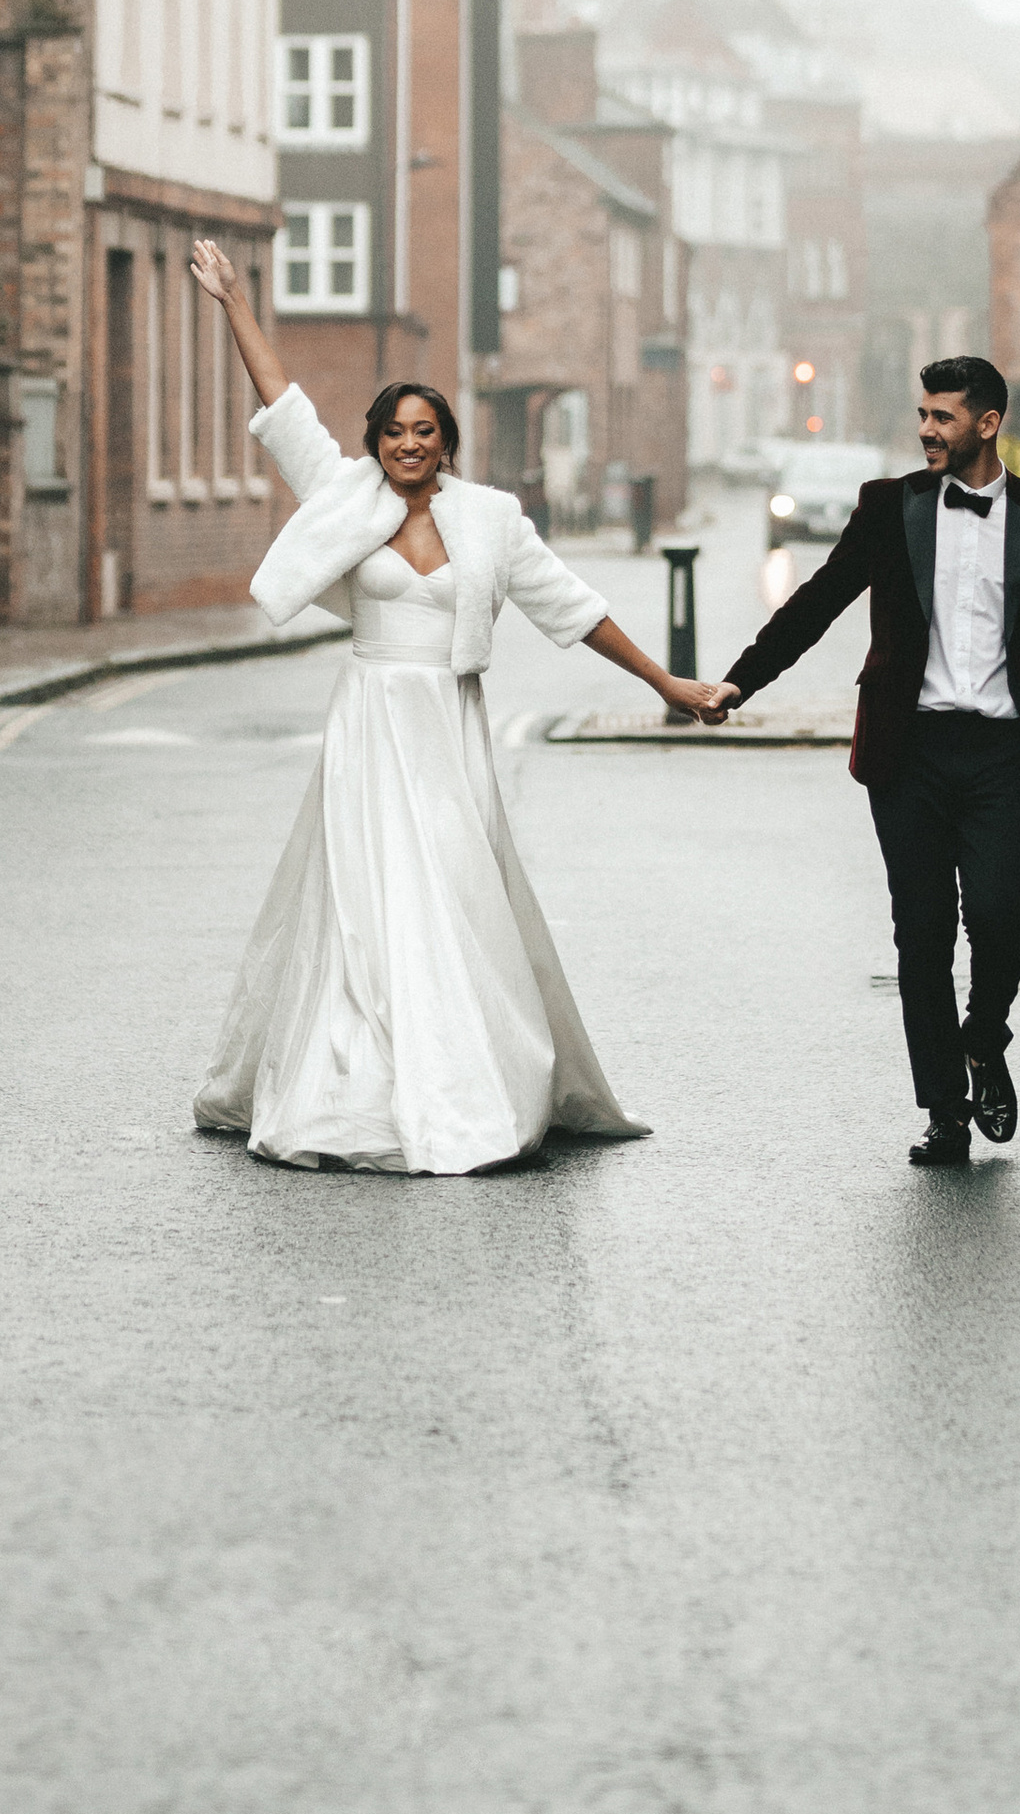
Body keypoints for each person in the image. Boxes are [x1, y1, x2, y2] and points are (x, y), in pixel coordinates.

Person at [186, 241, 724, 1175]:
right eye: (393, 431)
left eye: (424, 432)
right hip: (369, 723)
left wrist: (666, 684)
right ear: (375, 441)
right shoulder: (345, 495)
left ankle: (468, 1075)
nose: (407, 445)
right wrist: (235, 301)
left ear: (448, 445)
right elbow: (283, 411)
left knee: (454, 895)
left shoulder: (491, 520)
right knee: (368, 900)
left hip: (448, 725)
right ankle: (355, 1080)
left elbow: (573, 607)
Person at [696, 352, 1020, 1170]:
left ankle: (984, 1036)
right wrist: (740, 682)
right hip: (909, 751)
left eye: (942, 417)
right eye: (922, 415)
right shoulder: (889, 508)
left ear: (987, 424)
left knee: (999, 919)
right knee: (921, 937)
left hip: (1002, 750)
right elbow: (819, 600)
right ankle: (945, 1113)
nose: (926, 429)